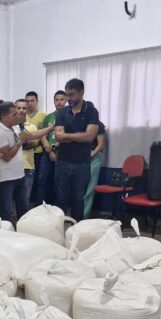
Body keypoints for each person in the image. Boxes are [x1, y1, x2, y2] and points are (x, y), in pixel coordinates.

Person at [0, 101, 51, 223]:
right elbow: (7, 156)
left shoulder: (15, 127)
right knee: (6, 211)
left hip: (19, 175)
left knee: (23, 208)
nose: (17, 116)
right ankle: (5, 235)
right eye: (14, 114)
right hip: (6, 178)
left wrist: (50, 128)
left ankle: (23, 232)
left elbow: (32, 135)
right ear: (3, 117)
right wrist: (20, 141)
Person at [54, 78, 99, 222]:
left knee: (78, 199)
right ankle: (59, 230)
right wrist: (79, 135)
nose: (68, 98)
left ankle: (77, 231)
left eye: (72, 94)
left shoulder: (91, 111)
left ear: (82, 92)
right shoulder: (62, 112)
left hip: (82, 164)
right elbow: (58, 137)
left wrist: (67, 136)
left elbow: (90, 137)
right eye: (67, 94)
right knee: (60, 199)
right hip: (63, 162)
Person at [38, 90, 67, 206]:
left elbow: (66, 137)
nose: (59, 102)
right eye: (57, 100)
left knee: (59, 184)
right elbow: (42, 135)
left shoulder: (69, 116)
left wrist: (53, 147)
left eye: (62, 100)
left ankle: (59, 210)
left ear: (66, 101)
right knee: (42, 181)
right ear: (54, 101)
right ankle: (39, 207)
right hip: (47, 152)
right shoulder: (49, 117)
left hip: (62, 153)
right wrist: (48, 149)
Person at [24, 91, 46, 202]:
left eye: (32, 101)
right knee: (25, 182)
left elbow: (44, 133)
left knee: (38, 180)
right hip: (25, 154)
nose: (30, 103)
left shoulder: (42, 116)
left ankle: (36, 204)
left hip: (38, 152)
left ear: (37, 101)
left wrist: (36, 142)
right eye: (27, 101)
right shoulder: (23, 116)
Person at [83, 120, 107, 218]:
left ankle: (83, 216)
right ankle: (76, 214)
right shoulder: (80, 123)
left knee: (89, 189)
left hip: (93, 156)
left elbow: (101, 145)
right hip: (80, 156)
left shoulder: (98, 125)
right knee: (78, 189)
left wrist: (91, 155)